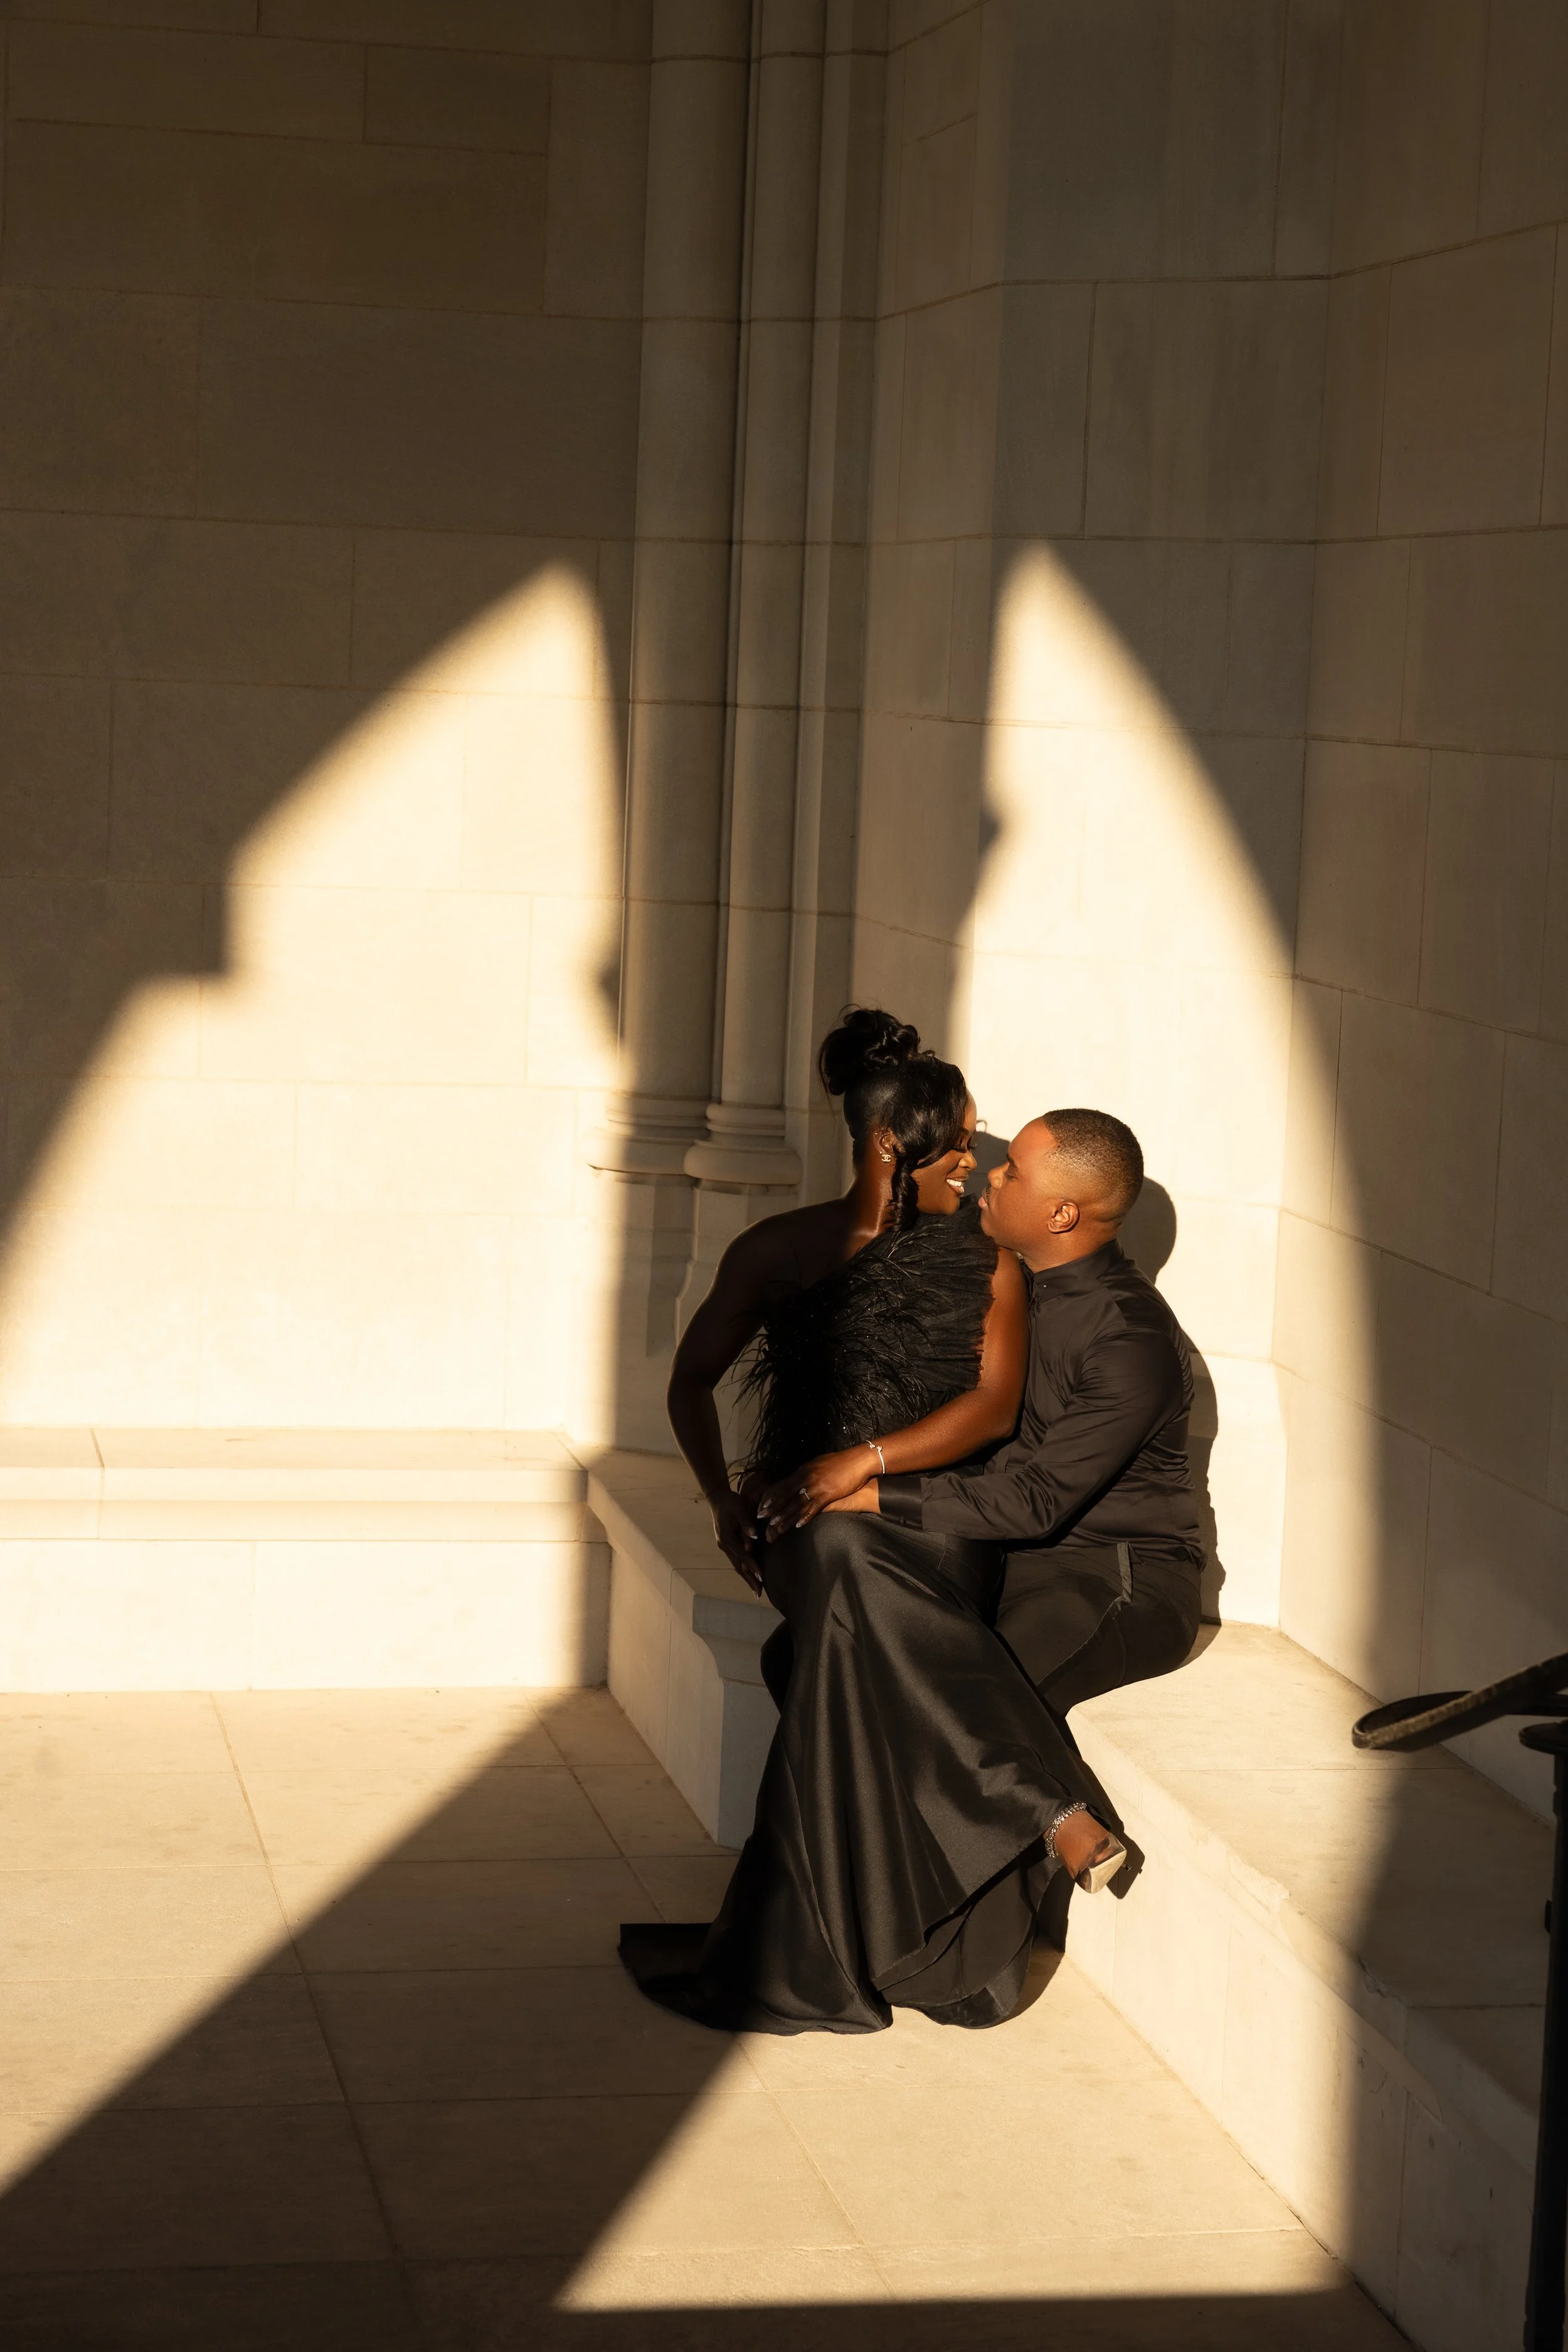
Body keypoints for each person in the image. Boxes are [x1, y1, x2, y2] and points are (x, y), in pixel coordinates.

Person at [618, 1012, 1128, 2035]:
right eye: (960, 1145)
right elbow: (687, 1382)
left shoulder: (985, 1261)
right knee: (839, 1551)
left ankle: (857, 1932)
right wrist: (723, 1500)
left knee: (853, 1580)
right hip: (803, 1525)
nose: (978, 1167)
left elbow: (988, 1408)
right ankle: (1047, 1809)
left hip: (934, 1525)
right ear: (890, 1145)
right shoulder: (778, 1248)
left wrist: (866, 1464)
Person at [761, 1108, 1204, 1724]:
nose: (991, 1177)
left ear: (1061, 1214)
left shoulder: (1130, 1339)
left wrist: (868, 1492)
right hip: (1004, 1556)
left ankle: (1076, 1826)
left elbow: (1037, 1499)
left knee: (961, 1711)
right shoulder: (1004, 1281)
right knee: (804, 1655)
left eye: (1013, 1173)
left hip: (1111, 1576)